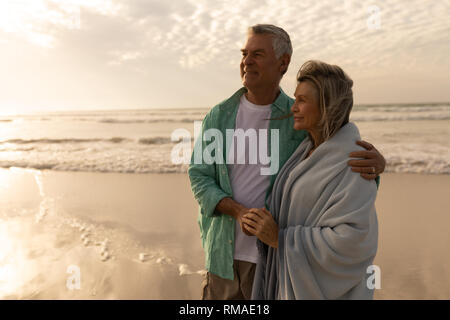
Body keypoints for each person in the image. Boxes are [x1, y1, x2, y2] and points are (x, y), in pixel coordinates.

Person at [188, 24, 385, 300]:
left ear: (283, 63)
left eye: (257, 53)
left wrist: (376, 165)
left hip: (271, 259)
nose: (246, 61)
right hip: (222, 253)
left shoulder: (298, 116)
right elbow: (199, 176)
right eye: (245, 53)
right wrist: (237, 211)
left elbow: (333, 151)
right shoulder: (218, 117)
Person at [245, 60, 379, 300]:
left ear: (326, 107)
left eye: (302, 101)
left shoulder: (356, 162)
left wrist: (280, 238)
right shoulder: (305, 151)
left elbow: (354, 241)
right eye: (295, 99)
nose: (293, 108)